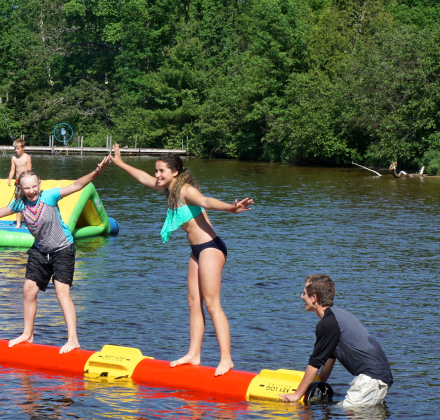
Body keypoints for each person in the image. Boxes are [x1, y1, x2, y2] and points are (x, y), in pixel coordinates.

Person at [110, 144, 252, 375]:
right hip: (197, 251)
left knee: (212, 304)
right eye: (156, 170)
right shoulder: (169, 190)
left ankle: (226, 359)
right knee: (193, 302)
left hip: (211, 248)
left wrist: (230, 208)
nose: (157, 175)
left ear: (174, 172)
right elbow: (143, 178)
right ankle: (194, 354)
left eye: (161, 171)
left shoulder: (185, 190)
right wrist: (121, 163)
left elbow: (206, 201)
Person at [0, 156, 111, 354]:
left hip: (62, 250)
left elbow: (77, 185)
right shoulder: (20, 204)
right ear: (21, 188)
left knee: (61, 293)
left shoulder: (49, 197)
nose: (32, 191)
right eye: (27, 188)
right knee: (28, 290)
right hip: (40, 250)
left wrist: (97, 172)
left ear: (39, 184)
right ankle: (27, 334)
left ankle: (73, 340)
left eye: (34, 186)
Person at [280, 274, 393, 406]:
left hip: (371, 379)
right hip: (378, 378)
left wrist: (296, 395)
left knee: (347, 411)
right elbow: (329, 357)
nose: (301, 297)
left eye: (304, 293)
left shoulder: (328, 323)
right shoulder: (337, 316)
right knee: (352, 418)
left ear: (314, 297)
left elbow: (315, 362)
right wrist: (320, 382)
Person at [7, 138, 33, 229]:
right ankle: (18, 224)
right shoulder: (14, 158)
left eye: (18, 148)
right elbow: (12, 170)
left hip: (25, 182)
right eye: (15, 149)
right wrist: (9, 179)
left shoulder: (27, 157)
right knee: (18, 202)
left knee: (28, 203)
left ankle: (28, 223)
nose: (16, 150)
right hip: (18, 183)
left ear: (23, 148)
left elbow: (29, 171)